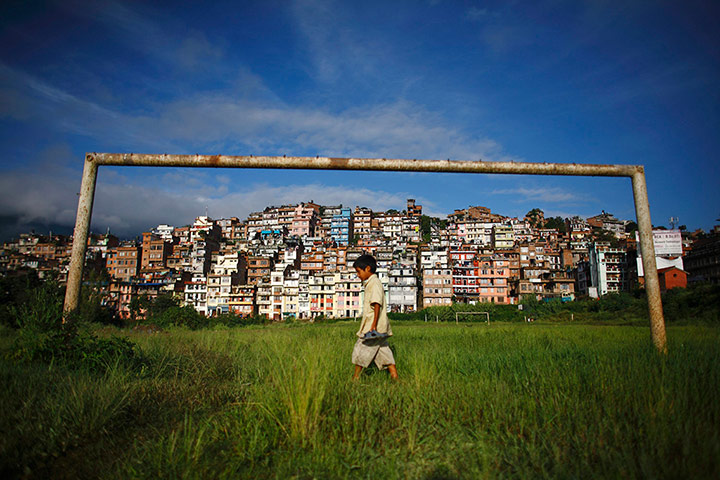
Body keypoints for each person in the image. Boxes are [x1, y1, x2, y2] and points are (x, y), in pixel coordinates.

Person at [351, 254, 398, 380]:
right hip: (377, 326)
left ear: (367, 269)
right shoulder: (371, 283)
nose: (358, 275)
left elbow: (376, 304)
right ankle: (395, 377)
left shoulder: (375, 283)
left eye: (358, 272)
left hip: (372, 327)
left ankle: (355, 379)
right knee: (384, 352)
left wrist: (373, 325)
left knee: (361, 349)